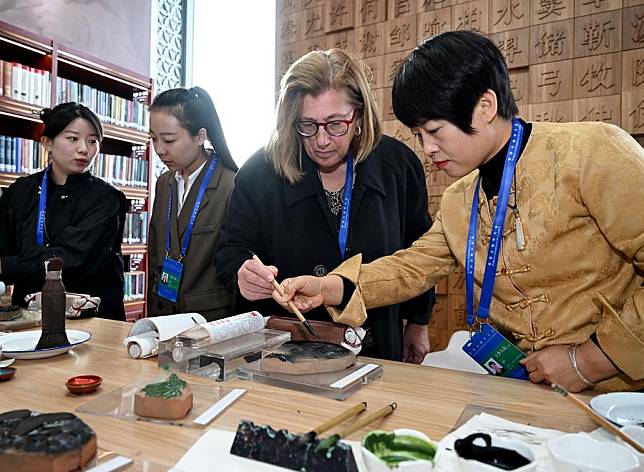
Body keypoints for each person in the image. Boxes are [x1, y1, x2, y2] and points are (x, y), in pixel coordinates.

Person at [274, 31, 644, 392]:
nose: (428, 148)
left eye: (435, 131)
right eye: (419, 135)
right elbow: (411, 268)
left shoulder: (591, 153)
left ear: (485, 106)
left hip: (618, 392)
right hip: (528, 389)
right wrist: (328, 287)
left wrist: (590, 360)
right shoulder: (459, 199)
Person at [216, 48, 435, 363]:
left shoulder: (397, 166)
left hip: (373, 345)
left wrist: (419, 322)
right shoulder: (260, 171)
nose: (321, 141)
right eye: (307, 125)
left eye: (335, 125)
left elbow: (420, 252)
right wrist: (241, 273)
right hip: (283, 351)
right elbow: (230, 248)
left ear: (358, 116)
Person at [0, 102, 127, 320]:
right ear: (48, 143)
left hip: (91, 317)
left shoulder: (106, 198)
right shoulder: (20, 191)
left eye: (92, 141)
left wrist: (9, 266)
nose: (84, 149)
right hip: (29, 316)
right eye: (72, 138)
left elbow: (71, 258)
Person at [147, 86, 237, 320]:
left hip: (210, 318)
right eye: (153, 139)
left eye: (169, 140)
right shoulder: (164, 183)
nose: (159, 149)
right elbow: (156, 253)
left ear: (200, 136)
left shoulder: (231, 184)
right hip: (164, 312)